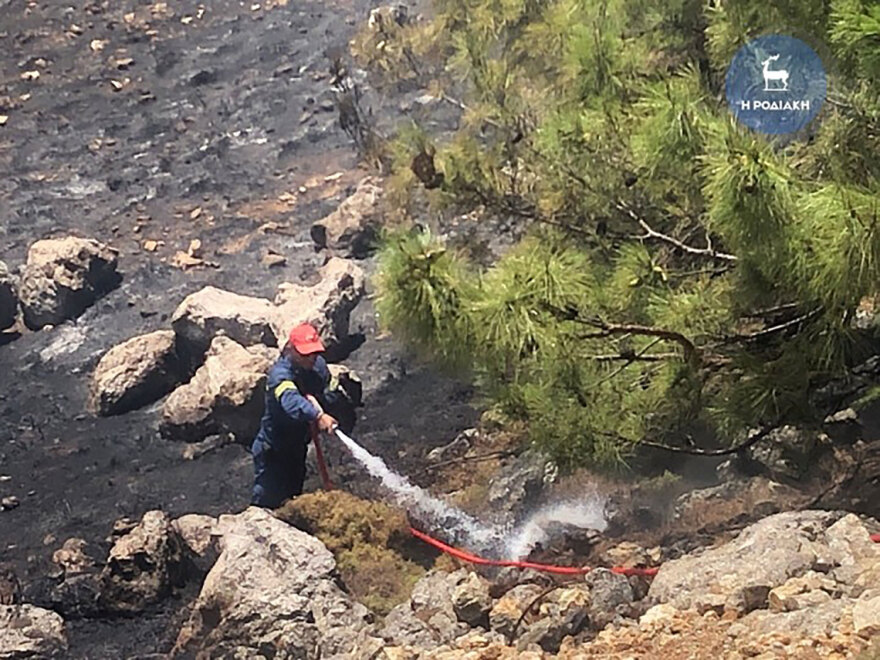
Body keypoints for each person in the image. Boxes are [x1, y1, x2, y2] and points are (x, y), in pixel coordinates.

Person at [251, 322, 339, 508]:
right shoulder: (280, 375)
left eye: (314, 353)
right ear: (292, 351)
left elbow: (330, 389)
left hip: (297, 447)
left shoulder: (319, 367)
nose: (311, 358)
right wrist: (317, 415)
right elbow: (291, 403)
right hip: (274, 450)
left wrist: (325, 403)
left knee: (293, 496)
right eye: (305, 354)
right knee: (267, 499)